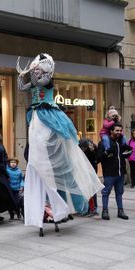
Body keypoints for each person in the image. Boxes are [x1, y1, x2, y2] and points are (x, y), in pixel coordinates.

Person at [16, 53, 104, 234]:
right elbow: (23, 88)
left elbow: (38, 82)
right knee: (37, 140)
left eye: (39, 68)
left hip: (47, 112)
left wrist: (33, 71)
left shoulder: (47, 80)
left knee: (48, 137)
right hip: (36, 115)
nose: (36, 71)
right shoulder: (36, 80)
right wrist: (20, 78)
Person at [98, 123, 130, 220]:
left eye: (120, 130)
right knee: (106, 192)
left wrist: (127, 153)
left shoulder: (121, 142)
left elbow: (122, 155)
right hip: (109, 173)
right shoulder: (103, 143)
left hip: (120, 173)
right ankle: (105, 211)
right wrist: (107, 152)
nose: (119, 132)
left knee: (119, 192)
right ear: (111, 131)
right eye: (117, 130)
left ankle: (120, 211)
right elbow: (98, 158)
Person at [79, 138, 100, 216]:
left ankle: (93, 208)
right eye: (82, 148)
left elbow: (97, 158)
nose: (83, 149)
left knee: (92, 190)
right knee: (86, 190)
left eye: (84, 148)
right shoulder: (80, 149)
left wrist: (93, 151)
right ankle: (87, 208)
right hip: (84, 171)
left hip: (91, 172)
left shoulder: (93, 149)